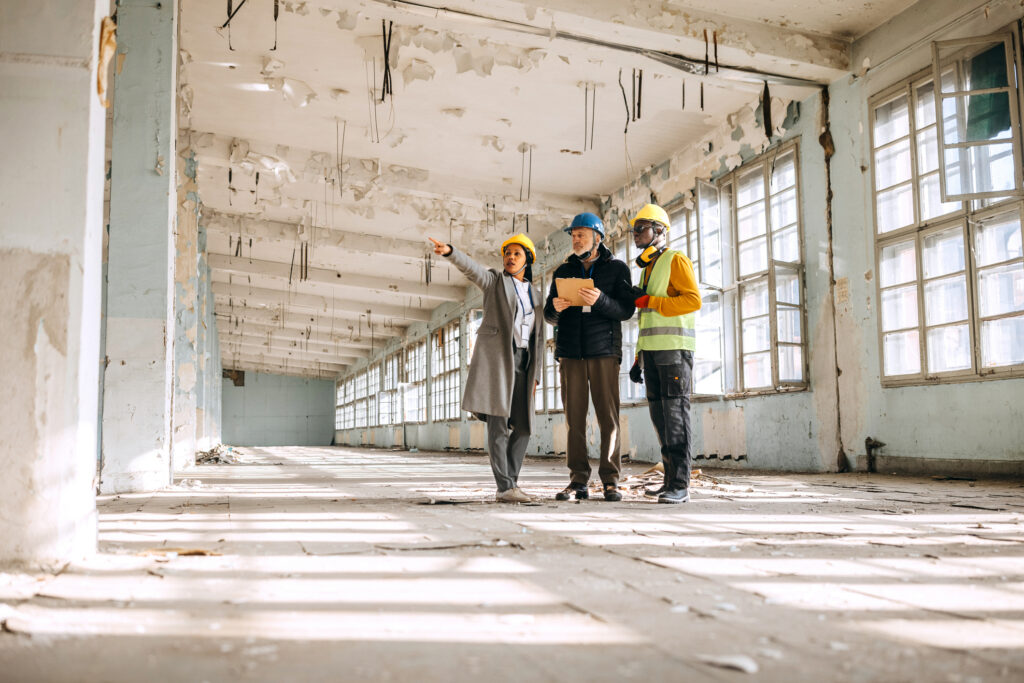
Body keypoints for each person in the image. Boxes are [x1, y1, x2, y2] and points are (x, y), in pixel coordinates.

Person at [429, 233, 543, 503]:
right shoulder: (494, 282)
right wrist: (450, 252)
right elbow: (473, 270)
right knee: (498, 424)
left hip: (525, 362)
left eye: (517, 253)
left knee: (525, 426)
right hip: (498, 361)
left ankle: (510, 483)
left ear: (528, 259)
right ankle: (505, 487)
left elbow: (539, 334)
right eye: (507, 253)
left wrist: (536, 375)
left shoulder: (537, 295)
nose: (511, 257)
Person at [544, 213, 635, 502]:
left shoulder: (616, 268)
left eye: (581, 235)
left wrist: (601, 301)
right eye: (573, 235)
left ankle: (610, 480)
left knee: (608, 418)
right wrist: (556, 308)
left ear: (598, 237)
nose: (576, 239)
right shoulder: (562, 271)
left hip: (604, 352)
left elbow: (626, 310)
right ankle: (578, 481)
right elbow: (548, 314)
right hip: (570, 354)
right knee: (574, 420)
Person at [627, 204, 702, 504]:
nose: (636, 235)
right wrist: (637, 358)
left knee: (675, 419)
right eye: (634, 230)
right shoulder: (648, 270)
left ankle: (681, 485)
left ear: (660, 231)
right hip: (653, 355)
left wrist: (651, 300)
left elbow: (692, 300)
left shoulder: (675, 260)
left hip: (674, 354)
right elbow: (647, 321)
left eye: (641, 228)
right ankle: (669, 480)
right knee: (660, 420)